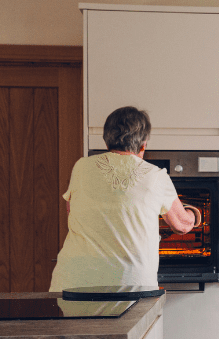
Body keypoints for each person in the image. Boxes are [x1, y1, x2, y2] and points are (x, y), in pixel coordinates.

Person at [49, 106, 200, 292]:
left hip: (73, 286)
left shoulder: (81, 167)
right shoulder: (156, 176)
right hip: (131, 288)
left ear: (107, 142)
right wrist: (194, 213)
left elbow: (71, 210)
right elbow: (182, 225)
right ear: (143, 144)